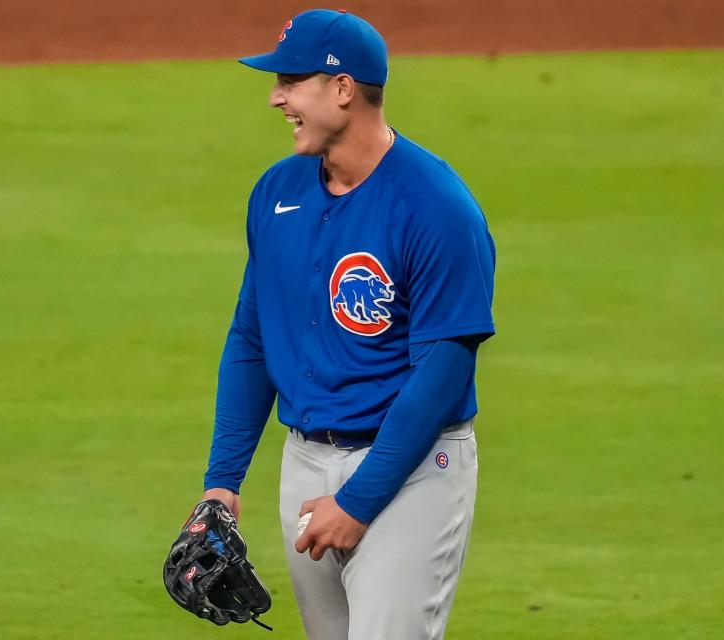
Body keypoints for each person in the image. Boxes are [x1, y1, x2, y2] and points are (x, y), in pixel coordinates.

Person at [199, 9, 496, 639]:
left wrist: (358, 501)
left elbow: (444, 369)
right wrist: (222, 483)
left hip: (410, 467)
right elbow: (252, 340)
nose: (276, 97)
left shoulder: (436, 206)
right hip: (303, 463)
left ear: (342, 88)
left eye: (290, 81)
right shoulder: (276, 192)